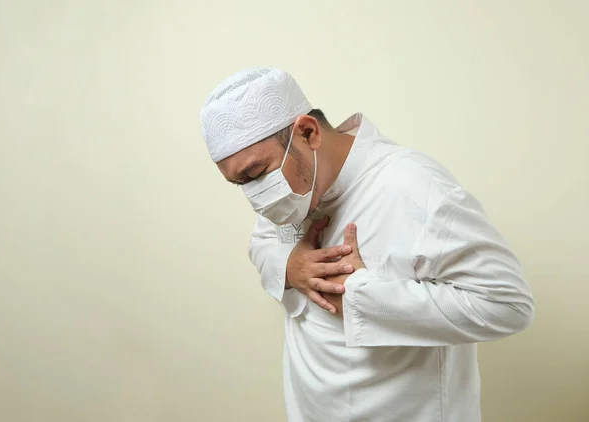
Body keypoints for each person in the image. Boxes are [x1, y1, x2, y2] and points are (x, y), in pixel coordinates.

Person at [199, 67, 534, 422]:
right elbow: (263, 239)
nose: (256, 196)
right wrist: (290, 268)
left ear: (308, 133)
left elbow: (507, 304)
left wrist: (362, 295)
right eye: (240, 184)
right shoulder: (288, 191)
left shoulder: (415, 188)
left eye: (256, 175)